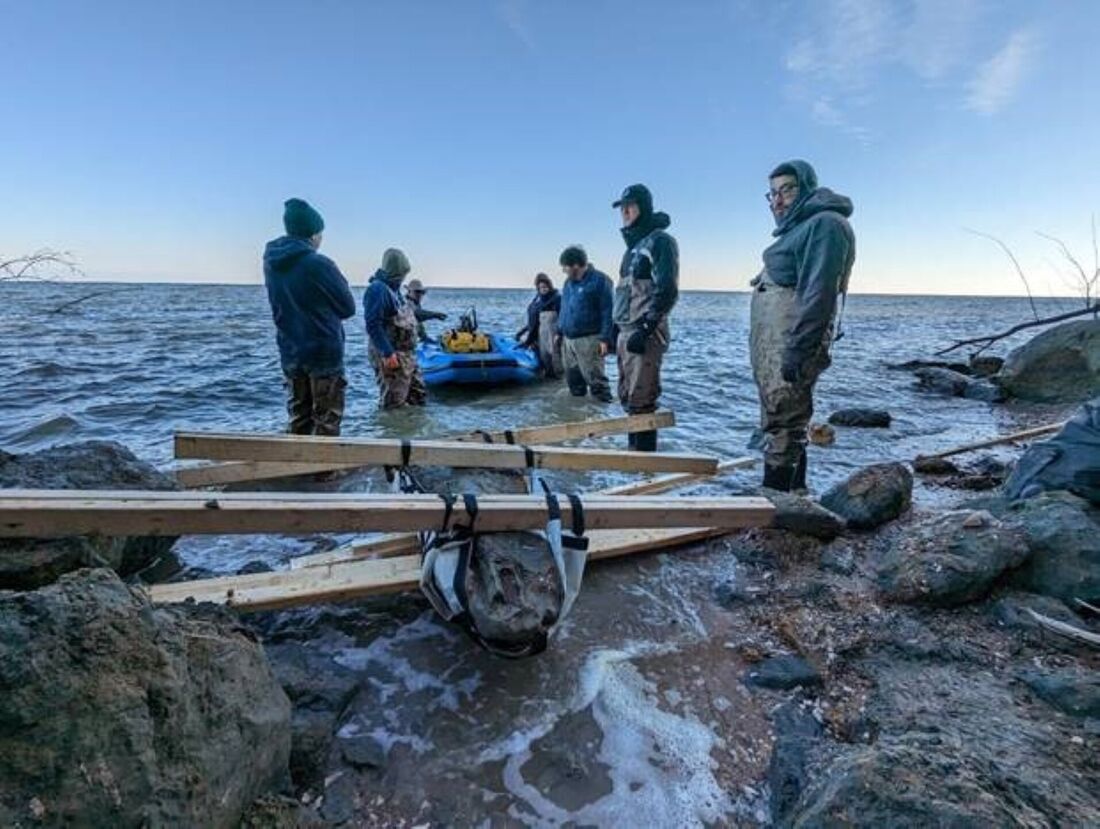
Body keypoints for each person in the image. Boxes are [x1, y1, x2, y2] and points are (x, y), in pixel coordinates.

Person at [750, 159, 855, 491]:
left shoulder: (825, 225)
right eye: (772, 194)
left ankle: (775, 508)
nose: (778, 202)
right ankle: (796, 495)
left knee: (784, 421)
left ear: (806, 189)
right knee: (781, 419)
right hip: (776, 344)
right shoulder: (797, 230)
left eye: (787, 191)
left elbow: (819, 293)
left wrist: (798, 349)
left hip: (792, 342)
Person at [263, 197, 356, 436]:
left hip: (290, 349)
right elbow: (348, 308)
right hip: (323, 352)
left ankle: (295, 467)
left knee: (298, 415)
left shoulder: (271, 262)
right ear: (312, 234)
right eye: (320, 233)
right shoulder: (319, 263)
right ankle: (324, 472)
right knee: (327, 418)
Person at [612, 184, 679, 451]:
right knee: (627, 397)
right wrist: (611, 332)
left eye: (631, 206)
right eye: (622, 208)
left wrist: (647, 327)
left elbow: (667, 289)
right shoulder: (631, 251)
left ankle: (644, 468)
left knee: (642, 401)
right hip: (625, 333)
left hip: (644, 332)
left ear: (644, 207)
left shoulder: (660, 241)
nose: (625, 212)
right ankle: (634, 463)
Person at [363, 248, 427, 409]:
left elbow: (409, 317)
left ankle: (417, 432)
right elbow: (373, 324)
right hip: (391, 354)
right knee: (394, 402)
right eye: (401, 273)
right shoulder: (378, 289)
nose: (403, 277)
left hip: (408, 355)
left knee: (418, 397)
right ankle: (391, 430)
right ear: (394, 271)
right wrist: (387, 352)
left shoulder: (396, 291)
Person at [557, 245, 613, 402]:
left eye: (565, 267)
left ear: (576, 265)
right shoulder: (568, 283)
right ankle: (579, 416)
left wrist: (604, 339)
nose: (564, 271)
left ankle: (603, 416)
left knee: (597, 382)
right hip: (568, 340)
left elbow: (607, 311)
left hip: (590, 340)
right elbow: (564, 308)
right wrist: (558, 331)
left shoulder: (600, 280)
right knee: (573, 382)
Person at [515, 273, 563, 378]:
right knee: (544, 359)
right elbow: (533, 323)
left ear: (550, 286)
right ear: (537, 288)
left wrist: (560, 333)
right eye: (541, 287)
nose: (543, 289)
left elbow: (563, 318)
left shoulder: (557, 299)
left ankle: (560, 384)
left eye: (545, 287)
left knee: (556, 361)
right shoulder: (537, 302)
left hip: (554, 336)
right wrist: (523, 332)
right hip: (541, 336)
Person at [405, 278, 447, 344]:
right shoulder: (405, 303)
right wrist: (434, 315)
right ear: (409, 291)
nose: (419, 295)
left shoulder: (416, 304)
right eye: (417, 292)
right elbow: (416, 314)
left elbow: (419, 323)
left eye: (422, 292)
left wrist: (424, 337)